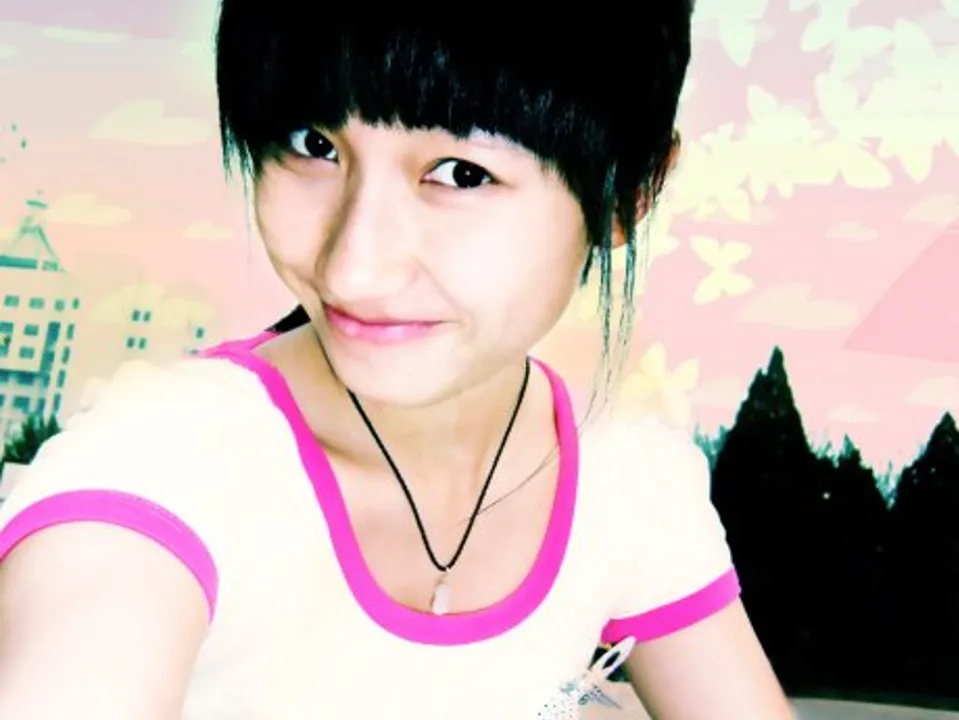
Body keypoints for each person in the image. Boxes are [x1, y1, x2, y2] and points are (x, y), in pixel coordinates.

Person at [0, 4, 796, 719]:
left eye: (462, 174)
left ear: (629, 192)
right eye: (313, 145)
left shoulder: (631, 482)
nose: (353, 269)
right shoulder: (158, 466)